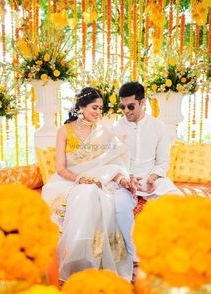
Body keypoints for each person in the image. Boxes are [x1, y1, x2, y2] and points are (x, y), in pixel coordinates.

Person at [42, 87, 136, 282]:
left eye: (101, 108)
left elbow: (114, 163)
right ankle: (76, 262)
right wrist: (80, 179)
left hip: (98, 183)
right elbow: (60, 168)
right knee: (86, 194)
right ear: (81, 107)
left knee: (93, 194)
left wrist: (122, 179)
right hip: (67, 182)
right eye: (94, 107)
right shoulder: (65, 131)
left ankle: (92, 263)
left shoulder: (103, 132)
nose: (98, 112)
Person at [112, 81, 183, 274]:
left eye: (130, 106)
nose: (125, 111)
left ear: (143, 103)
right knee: (119, 206)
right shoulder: (116, 129)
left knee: (178, 202)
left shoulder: (159, 127)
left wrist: (154, 176)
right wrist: (126, 178)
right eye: (122, 106)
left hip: (153, 178)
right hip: (127, 180)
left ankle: (172, 254)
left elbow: (163, 162)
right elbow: (114, 161)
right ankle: (135, 257)